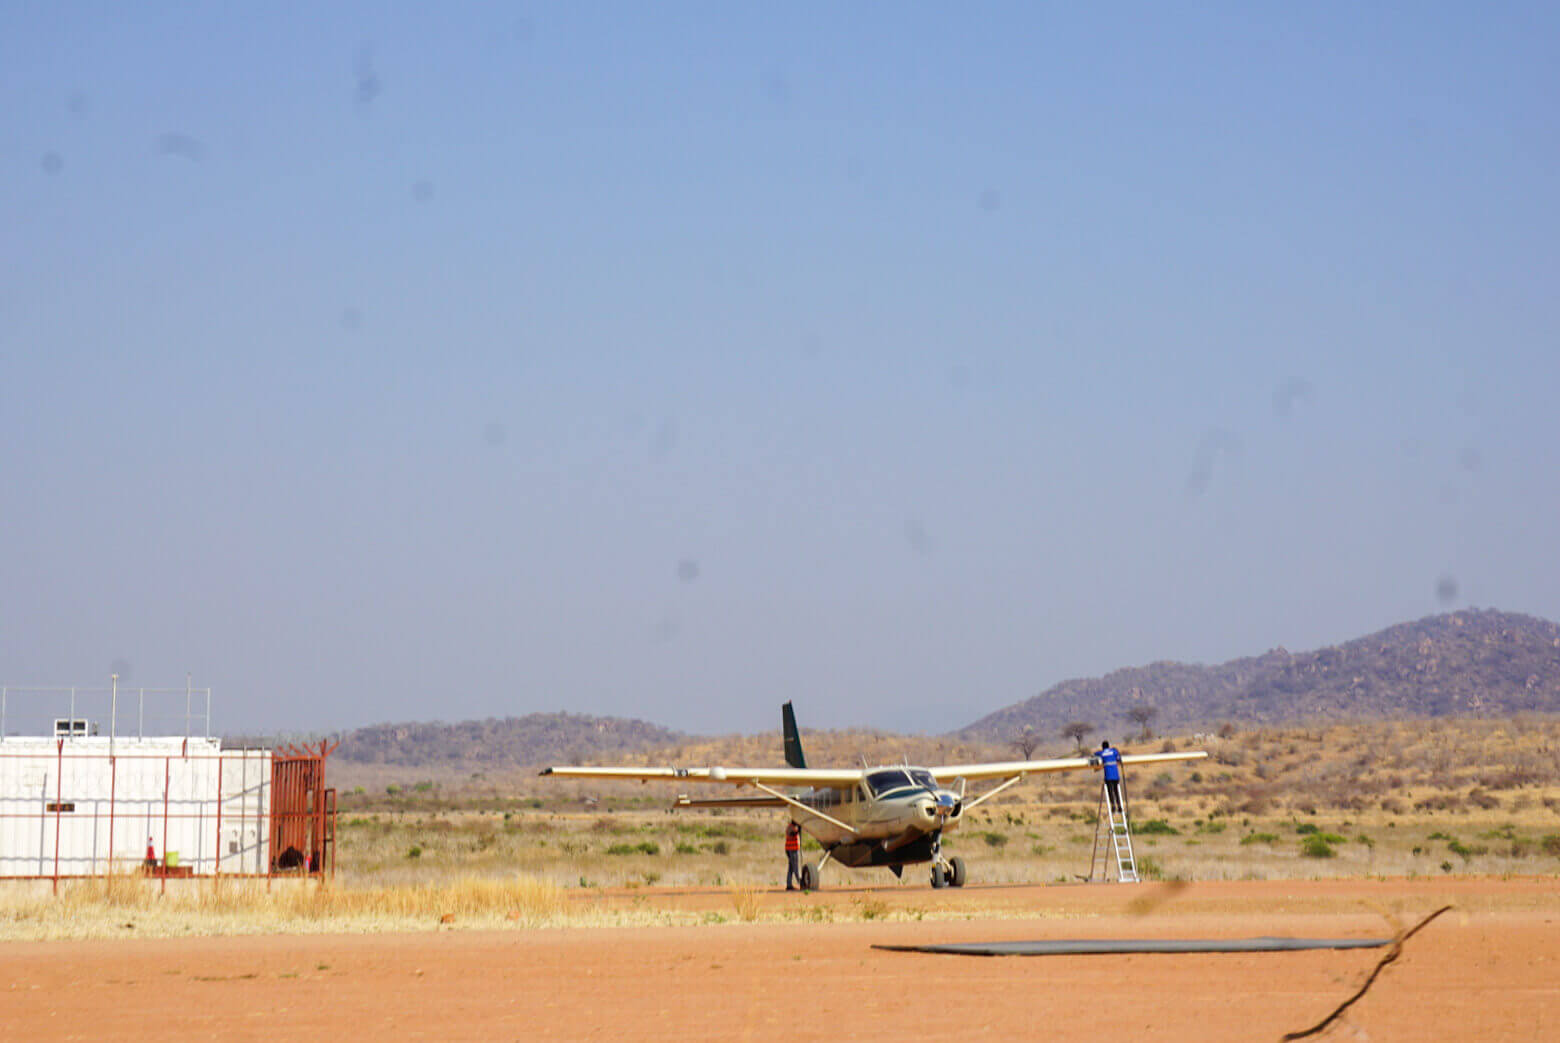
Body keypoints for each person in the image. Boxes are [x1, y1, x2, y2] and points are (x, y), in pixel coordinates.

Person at [1095, 740, 1124, 814]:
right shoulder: (1114, 751)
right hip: (1116, 775)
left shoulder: (1102, 753)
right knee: (1116, 792)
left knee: (1110, 792)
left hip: (1108, 776)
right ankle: (1120, 806)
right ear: (1108, 746)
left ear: (1103, 747)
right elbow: (1118, 758)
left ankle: (1113, 806)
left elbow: (1095, 754)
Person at [784, 820, 802, 890]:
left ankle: (789, 884)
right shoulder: (791, 827)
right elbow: (792, 834)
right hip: (792, 849)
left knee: (791, 867)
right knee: (795, 867)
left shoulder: (791, 827)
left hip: (790, 849)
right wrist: (798, 830)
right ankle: (801, 883)